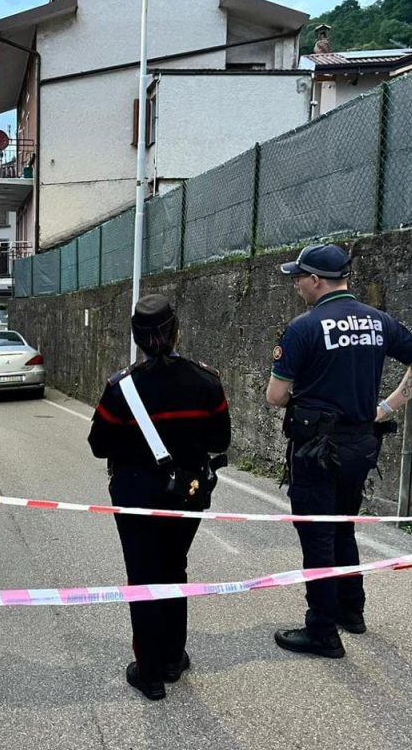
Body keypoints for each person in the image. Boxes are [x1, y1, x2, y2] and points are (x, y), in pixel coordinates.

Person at [266, 244, 412, 658]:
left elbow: (275, 396)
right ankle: (351, 610)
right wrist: (385, 408)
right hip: (361, 445)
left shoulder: (304, 328)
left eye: (299, 278)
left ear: (316, 280)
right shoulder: (380, 321)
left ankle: (322, 632)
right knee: (344, 526)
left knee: (318, 537)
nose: (296, 285)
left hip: (315, 450)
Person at [88, 294, 231, 700]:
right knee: (174, 568)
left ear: (136, 338)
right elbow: (220, 440)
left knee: (143, 576)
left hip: (135, 493)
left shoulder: (121, 388)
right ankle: (172, 657)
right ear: (177, 331)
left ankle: (149, 672)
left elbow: (98, 445)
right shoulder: (207, 381)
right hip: (187, 493)